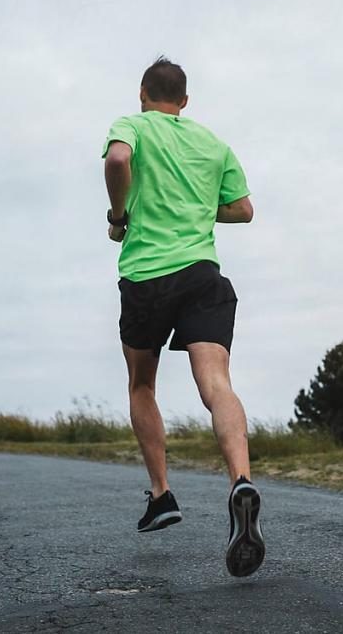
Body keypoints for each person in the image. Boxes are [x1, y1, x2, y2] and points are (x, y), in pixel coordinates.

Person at [101, 57, 265, 575]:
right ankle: (240, 478)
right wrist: (196, 207)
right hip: (202, 275)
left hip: (147, 276)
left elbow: (117, 162)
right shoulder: (212, 143)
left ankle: (162, 494)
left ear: (143, 94)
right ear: (185, 101)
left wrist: (119, 214)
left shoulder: (131, 125)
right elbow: (243, 209)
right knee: (217, 384)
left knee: (142, 386)